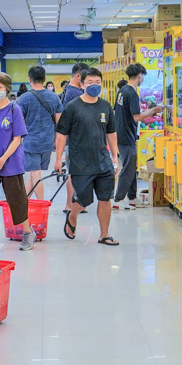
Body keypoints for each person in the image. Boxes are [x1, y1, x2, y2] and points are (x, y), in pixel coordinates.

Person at [55, 67, 120, 246]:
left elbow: (111, 132)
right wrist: (58, 158)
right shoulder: (73, 107)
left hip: (103, 161)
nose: (94, 86)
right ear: (82, 84)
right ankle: (72, 216)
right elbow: (62, 134)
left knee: (105, 197)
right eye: (90, 82)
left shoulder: (105, 106)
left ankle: (104, 234)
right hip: (80, 162)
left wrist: (115, 156)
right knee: (83, 200)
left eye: (97, 82)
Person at [0, 72, 36, 253]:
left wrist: (2, 159)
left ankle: (27, 232)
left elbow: (17, 139)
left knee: (17, 199)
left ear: (7, 89)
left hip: (11, 164)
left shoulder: (14, 110)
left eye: (0, 87)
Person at [114, 63, 164, 210]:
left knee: (131, 166)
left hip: (122, 133)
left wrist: (149, 111)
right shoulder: (132, 93)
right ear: (139, 76)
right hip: (127, 135)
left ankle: (132, 199)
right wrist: (154, 110)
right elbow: (137, 117)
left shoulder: (123, 90)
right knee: (128, 169)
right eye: (143, 76)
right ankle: (118, 200)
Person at [17, 65, 63, 200]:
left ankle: (42, 205)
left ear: (29, 79)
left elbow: (19, 123)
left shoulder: (24, 98)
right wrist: (56, 141)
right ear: (44, 79)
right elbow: (60, 124)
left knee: (35, 174)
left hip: (31, 142)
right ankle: (24, 203)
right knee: (33, 174)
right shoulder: (55, 97)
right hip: (47, 142)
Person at [60, 62, 90, 212]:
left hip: (74, 139)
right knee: (75, 173)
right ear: (79, 76)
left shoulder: (69, 90)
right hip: (77, 140)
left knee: (76, 172)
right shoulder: (76, 94)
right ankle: (71, 205)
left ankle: (74, 204)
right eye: (87, 79)